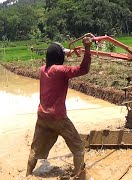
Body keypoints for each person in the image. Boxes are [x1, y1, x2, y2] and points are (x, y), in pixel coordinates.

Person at [26, 36, 92, 178]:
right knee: (78, 147)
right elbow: (84, 69)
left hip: (42, 116)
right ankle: (78, 175)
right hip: (58, 117)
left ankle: (28, 175)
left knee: (35, 148)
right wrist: (87, 48)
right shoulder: (61, 71)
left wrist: (67, 52)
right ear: (59, 56)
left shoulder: (43, 69)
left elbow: (57, 56)